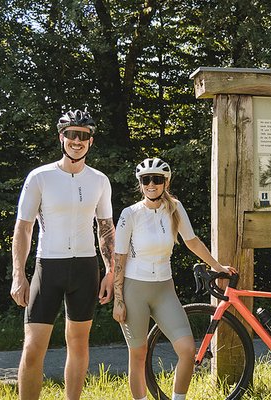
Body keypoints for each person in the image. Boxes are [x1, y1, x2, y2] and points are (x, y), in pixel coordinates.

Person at [9, 109, 115, 400]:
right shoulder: (40, 177)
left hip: (85, 267)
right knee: (32, 348)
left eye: (83, 136)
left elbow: (105, 228)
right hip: (49, 266)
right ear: (61, 138)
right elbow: (23, 228)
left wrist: (110, 271)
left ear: (90, 141)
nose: (77, 141)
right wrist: (19, 275)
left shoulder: (99, 180)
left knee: (79, 344)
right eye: (71, 134)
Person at [112, 157, 235, 400]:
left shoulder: (175, 208)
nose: (151, 184)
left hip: (164, 289)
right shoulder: (131, 214)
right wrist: (118, 299)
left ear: (166, 182)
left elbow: (192, 242)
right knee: (138, 354)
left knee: (188, 350)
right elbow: (119, 258)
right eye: (146, 179)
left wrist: (218, 266)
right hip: (134, 289)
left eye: (157, 179)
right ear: (140, 183)